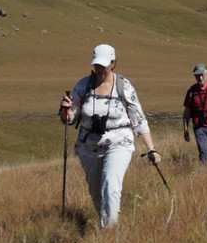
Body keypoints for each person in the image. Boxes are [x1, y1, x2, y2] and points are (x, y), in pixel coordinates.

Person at [59, 44, 161, 229]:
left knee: (110, 187)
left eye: (104, 65)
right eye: (97, 65)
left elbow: (138, 119)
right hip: (89, 147)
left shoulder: (124, 86)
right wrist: (66, 109)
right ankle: (105, 223)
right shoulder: (83, 86)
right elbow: (70, 118)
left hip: (119, 143)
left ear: (113, 63)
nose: (100, 69)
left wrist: (151, 148)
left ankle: (110, 235)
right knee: (97, 194)